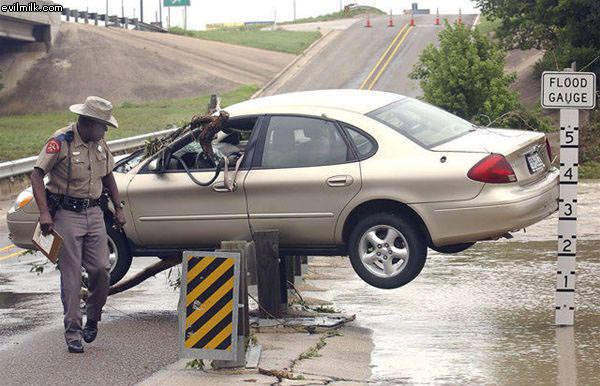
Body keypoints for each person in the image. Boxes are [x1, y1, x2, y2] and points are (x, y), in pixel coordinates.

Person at [30, 96, 126, 353]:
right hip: (66, 214)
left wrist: (118, 207)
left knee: (101, 270)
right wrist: (44, 214)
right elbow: (37, 175)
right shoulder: (60, 141)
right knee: (71, 277)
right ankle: (73, 331)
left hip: (94, 212)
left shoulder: (99, 142)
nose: (105, 130)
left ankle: (92, 318)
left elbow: (108, 176)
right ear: (89, 122)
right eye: (103, 125)